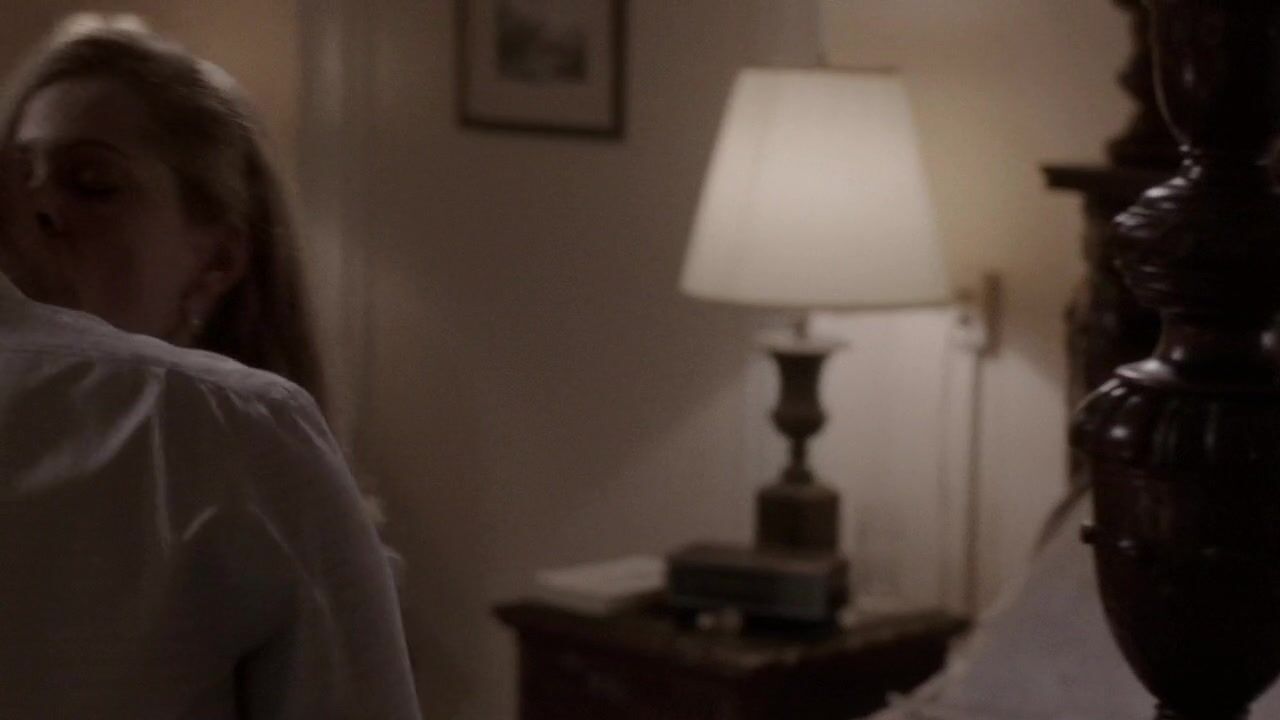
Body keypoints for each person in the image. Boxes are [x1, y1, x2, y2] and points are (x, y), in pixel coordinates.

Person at [0, 17, 421, 719]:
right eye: (17, 181)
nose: (35, 213)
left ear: (216, 260)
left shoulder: (241, 445)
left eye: (92, 184)